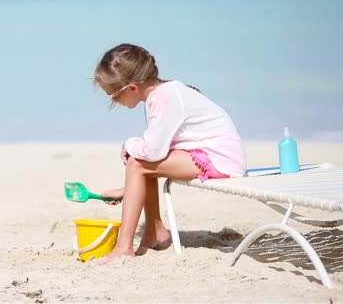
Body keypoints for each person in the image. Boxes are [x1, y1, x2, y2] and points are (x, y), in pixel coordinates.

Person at [92, 43, 246, 262]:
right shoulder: (161, 95)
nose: (113, 101)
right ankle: (154, 231)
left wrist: (128, 144)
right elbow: (156, 152)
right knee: (141, 163)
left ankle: (124, 247)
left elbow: (152, 152)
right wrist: (126, 188)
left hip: (219, 157)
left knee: (138, 162)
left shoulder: (165, 98)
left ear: (133, 88)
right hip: (207, 153)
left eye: (113, 95)